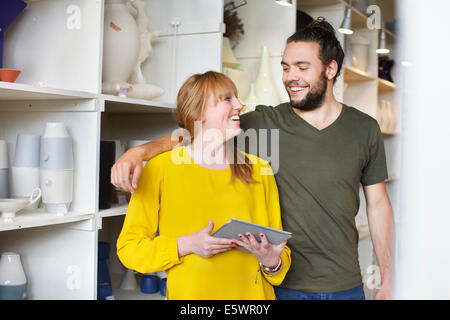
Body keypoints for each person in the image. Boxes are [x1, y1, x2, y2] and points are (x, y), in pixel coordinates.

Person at [112, 18, 394, 300]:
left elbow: (379, 206)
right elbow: (197, 134)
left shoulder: (363, 129)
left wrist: (388, 279)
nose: (290, 76)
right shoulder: (263, 123)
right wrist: (139, 152)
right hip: (283, 289)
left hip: (344, 282)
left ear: (330, 69)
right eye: (285, 67)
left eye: (302, 67)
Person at [116, 71, 291, 300]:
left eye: (236, 97)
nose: (239, 104)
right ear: (198, 112)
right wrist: (184, 244)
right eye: (227, 99)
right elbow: (129, 250)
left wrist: (271, 262)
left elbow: (280, 255)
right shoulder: (160, 169)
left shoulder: (260, 169)